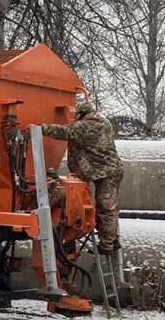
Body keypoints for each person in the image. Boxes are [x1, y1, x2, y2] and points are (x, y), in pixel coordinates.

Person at [42, 100, 124, 255]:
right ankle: (113, 240)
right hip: (106, 171)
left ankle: (107, 246)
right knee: (110, 208)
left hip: (104, 172)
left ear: (81, 114)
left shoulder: (86, 126)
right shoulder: (103, 122)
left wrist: (40, 128)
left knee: (105, 208)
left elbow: (65, 132)